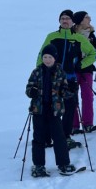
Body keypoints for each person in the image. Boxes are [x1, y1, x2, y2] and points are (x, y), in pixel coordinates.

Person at [37, 9, 96, 149]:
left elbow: (93, 53)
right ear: (59, 21)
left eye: (67, 19)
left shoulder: (79, 38)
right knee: (50, 108)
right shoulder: (51, 36)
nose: (65, 21)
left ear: (72, 21)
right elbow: (41, 55)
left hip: (70, 79)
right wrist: (40, 72)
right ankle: (47, 137)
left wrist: (81, 65)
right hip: (52, 79)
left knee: (70, 107)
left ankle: (66, 136)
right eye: (62, 18)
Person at [25, 44, 76, 177]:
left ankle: (63, 163)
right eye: (45, 57)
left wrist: (71, 89)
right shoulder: (36, 72)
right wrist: (32, 91)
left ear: (55, 58)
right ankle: (39, 165)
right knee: (38, 138)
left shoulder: (60, 72)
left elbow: (64, 92)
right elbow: (28, 88)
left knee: (59, 137)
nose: (47, 60)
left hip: (55, 110)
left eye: (50, 57)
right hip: (38, 110)